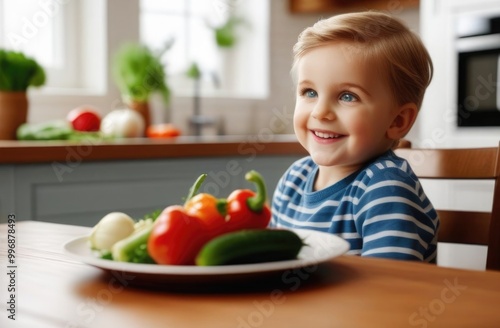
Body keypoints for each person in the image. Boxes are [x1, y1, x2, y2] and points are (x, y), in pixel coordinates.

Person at [270, 11, 439, 262]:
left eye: (347, 96)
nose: (321, 112)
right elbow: (272, 261)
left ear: (397, 121)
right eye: (309, 92)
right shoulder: (293, 180)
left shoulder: (384, 187)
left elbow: (385, 288)